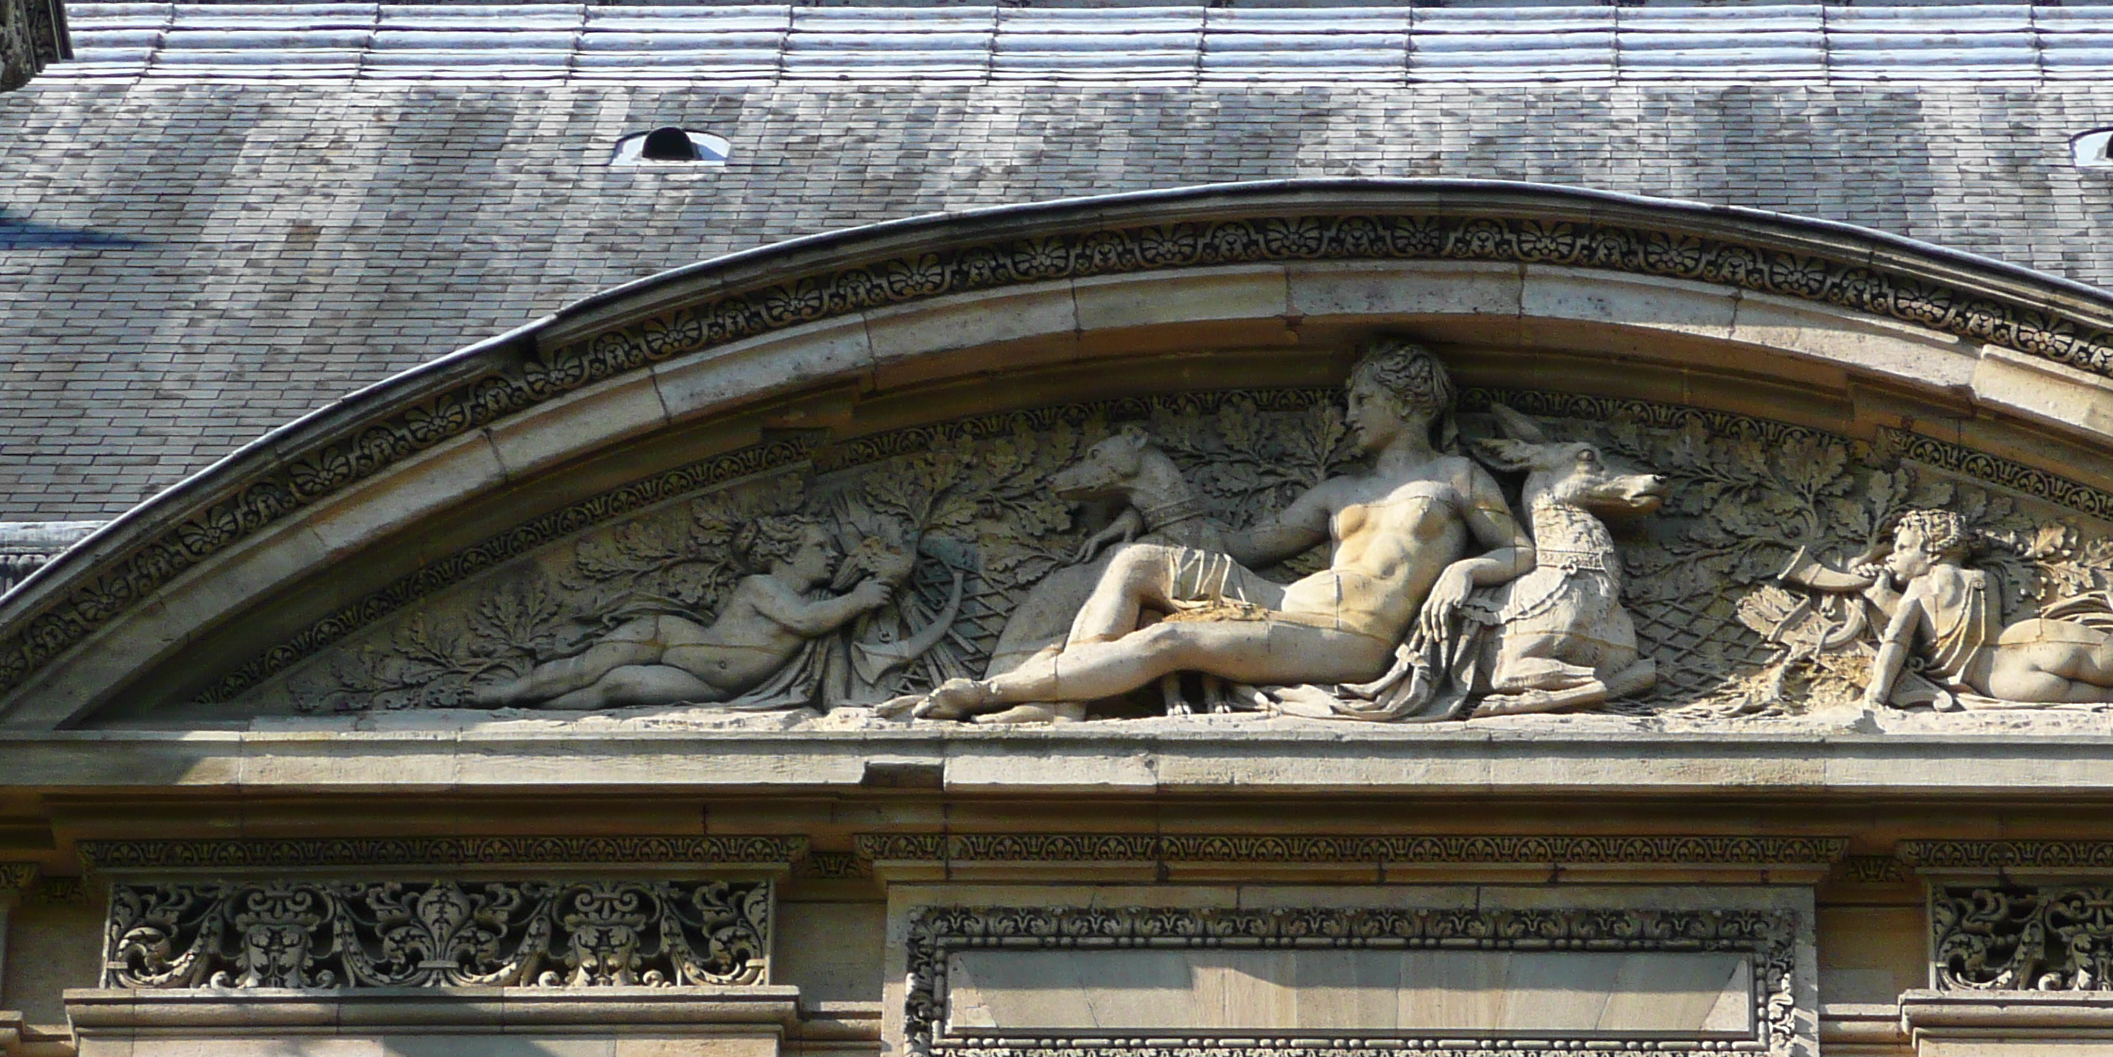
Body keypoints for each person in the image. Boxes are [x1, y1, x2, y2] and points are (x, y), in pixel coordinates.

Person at [899, 338, 1527, 718]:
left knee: (1173, 643)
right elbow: (1240, 546)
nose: (1347, 415)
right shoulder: (1339, 492)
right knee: (1141, 562)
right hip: (1283, 604)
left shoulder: (1458, 477)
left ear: (1407, 402)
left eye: (1362, 400)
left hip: (1352, 639)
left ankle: (994, 692)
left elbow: (1521, 551)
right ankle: (1062, 698)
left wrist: (1469, 567)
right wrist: (1146, 504)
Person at [1781, 508, 2113, 709]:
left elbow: (1897, 642)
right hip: (2029, 639)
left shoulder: (1917, 592)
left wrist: (1875, 696)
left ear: (1929, 551)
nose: (1892, 556)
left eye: (1902, 547)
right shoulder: (1979, 577)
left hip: (2000, 679)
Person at [472, 514, 909, 709]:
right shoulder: (764, 586)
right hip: (671, 637)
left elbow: (830, 615)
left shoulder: (823, 604)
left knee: (619, 687)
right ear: (785, 551)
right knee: (585, 667)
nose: (831, 554)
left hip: (711, 684)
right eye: (819, 546)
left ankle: (535, 709)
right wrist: (857, 599)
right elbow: (802, 623)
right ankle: (509, 692)